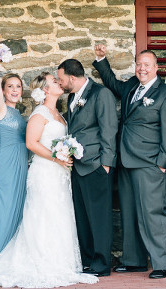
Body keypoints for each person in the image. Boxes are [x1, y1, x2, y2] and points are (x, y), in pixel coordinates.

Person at [0, 73, 98, 288]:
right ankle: (41, 261)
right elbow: (31, 143)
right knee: (43, 214)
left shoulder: (59, 114)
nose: (58, 82)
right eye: (54, 81)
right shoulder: (39, 113)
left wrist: (66, 152)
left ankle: (58, 261)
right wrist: (57, 157)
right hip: (45, 171)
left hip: (58, 173)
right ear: (45, 89)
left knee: (59, 214)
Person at [93, 47, 166, 279]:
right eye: (139, 64)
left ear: (156, 68)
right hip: (125, 161)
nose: (142, 68)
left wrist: (162, 163)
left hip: (150, 163)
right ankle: (134, 260)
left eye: (146, 65)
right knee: (129, 213)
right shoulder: (131, 87)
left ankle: (161, 264)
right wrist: (102, 60)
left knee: (153, 213)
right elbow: (112, 84)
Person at [57, 58, 118, 277]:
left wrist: (106, 164)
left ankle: (102, 263)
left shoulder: (101, 94)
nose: (60, 83)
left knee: (99, 217)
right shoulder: (73, 96)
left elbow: (109, 129)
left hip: (96, 165)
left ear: (72, 78)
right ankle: (88, 259)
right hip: (77, 166)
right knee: (83, 217)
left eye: (61, 79)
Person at [0, 59, 29, 262]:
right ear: (3, 91)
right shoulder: (0, 109)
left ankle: (11, 260)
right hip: (4, 166)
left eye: (18, 86)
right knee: (3, 213)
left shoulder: (18, 114)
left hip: (19, 168)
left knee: (17, 212)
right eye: (9, 86)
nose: (14, 90)